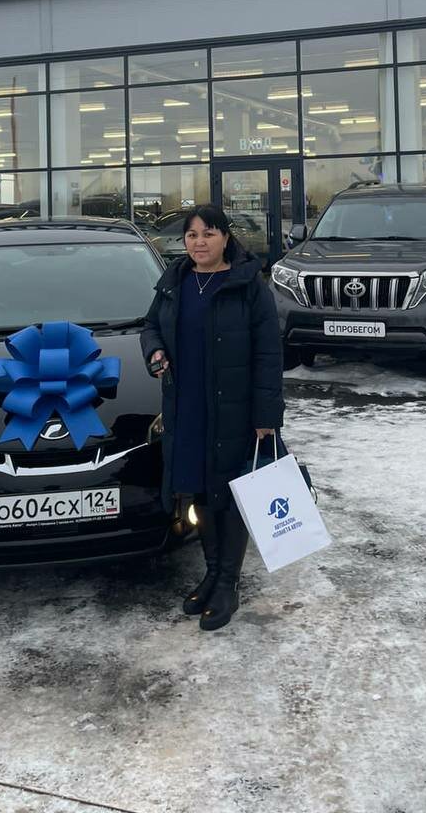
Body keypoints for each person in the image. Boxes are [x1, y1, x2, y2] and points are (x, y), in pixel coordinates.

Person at [141, 204, 284, 631]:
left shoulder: (249, 286)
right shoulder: (176, 280)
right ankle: (212, 573)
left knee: (231, 494)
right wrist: (155, 351)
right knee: (200, 492)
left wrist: (266, 415)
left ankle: (228, 584)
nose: (199, 242)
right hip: (187, 407)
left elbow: (269, 354)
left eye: (208, 234)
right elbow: (150, 326)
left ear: (225, 237)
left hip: (235, 410)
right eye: (192, 235)